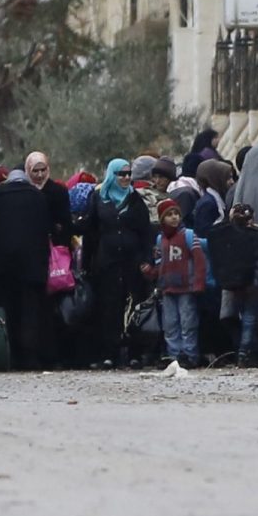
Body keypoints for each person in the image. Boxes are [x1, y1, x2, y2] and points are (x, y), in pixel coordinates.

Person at [0, 167, 54, 370]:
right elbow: (47, 228)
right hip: (32, 265)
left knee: (7, 309)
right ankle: (30, 356)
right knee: (31, 310)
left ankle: (9, 355)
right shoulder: (37, 198)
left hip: (2, 266)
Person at [83, 158, 152, 369]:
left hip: (132, 263)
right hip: (107, 263)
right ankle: (109, 354)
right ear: (112, 175)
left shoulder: (135, 200)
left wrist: (146, 260)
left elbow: (145, 233)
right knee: (108, 308)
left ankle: (134, 354)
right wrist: (87, 263)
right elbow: (91, 234)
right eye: (121, 174)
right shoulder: (98, 199)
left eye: (129, 173)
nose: (126, 178)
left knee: (133, 309)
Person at [208, 202, 258, 366]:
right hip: (253, 282)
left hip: (228, 283)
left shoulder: (220, 232)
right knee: (250, 315)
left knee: (228, 315)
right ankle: (245, 351)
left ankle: (239, 347)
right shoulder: (255, 234)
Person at [146, 200, 208, 367]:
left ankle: (190, 354)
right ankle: (173, 355)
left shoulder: (188, 235)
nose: (174, 218)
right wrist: (151, 272)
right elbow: (160, 263)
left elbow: (199, 260)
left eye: (176, 214)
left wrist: (198, 282)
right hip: (167, 288)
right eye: (169, 215)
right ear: (161, 219)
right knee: (170, 323)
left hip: (186, 288)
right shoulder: (160, 239)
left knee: (188, 322)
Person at [24, 152, 75, 248]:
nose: (40, 175)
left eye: (43, 170)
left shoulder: (59, 191)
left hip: (56, 249)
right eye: (35, 171)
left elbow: (66, 224)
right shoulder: (24, 192)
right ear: (28, 171)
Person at [190, 158, 234, 238]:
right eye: (228, 178)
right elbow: (204, 236)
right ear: (216, 179)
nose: (232, 182)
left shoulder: (219, 198)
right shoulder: (208, 204)